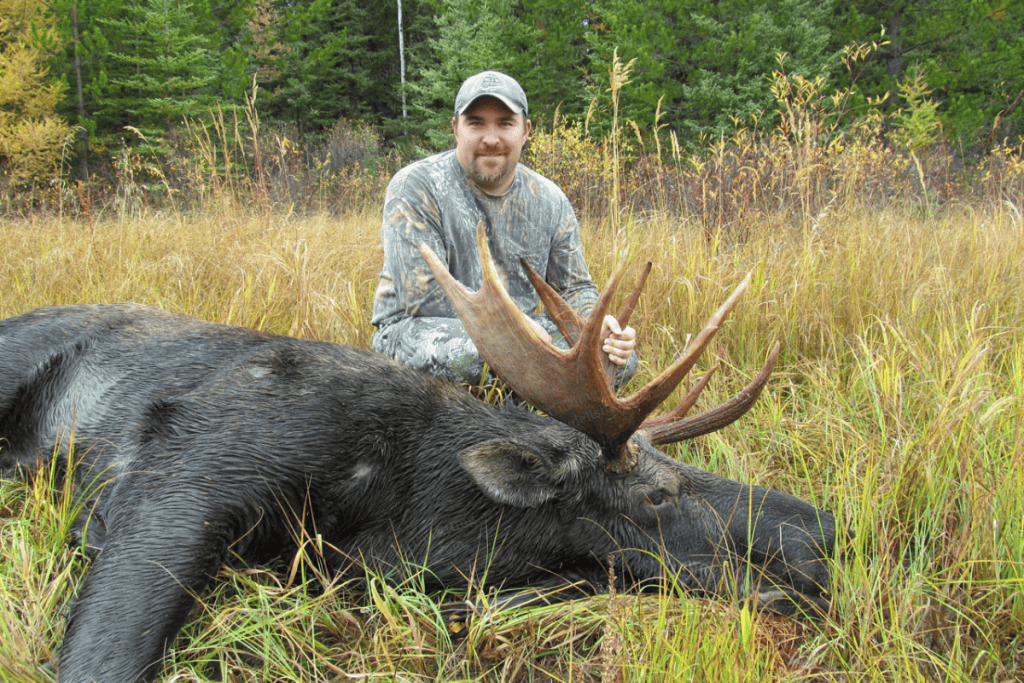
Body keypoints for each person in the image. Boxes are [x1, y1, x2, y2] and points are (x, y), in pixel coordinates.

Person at [371, 70, 637, 387]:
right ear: (456, 129)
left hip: (519, 336)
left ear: (525, 131)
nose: (491, 138)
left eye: (505, 123)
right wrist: (516, 329)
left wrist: (597, 327)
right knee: (484, 356)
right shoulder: (416, 186)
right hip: (417, 331)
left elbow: (574, 289)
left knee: (612, 360)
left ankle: (520, 410)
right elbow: (424, 299)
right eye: (476, 123)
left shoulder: (549, 200)